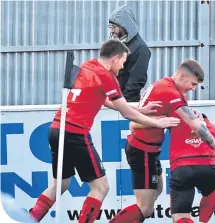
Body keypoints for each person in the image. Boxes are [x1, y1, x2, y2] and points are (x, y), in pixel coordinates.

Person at [29, 39, 180, 223]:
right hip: (74, 133)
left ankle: (30, 219)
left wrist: (140, 111)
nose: (123, 67)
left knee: (59, 185)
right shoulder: (107, 77)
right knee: (101, 187)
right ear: (115, 58)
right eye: (123, 62)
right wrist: (158, 123)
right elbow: (125, 113)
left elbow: (103, 99)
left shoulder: (87, 67)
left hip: (56, 129)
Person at [108, 59, 215, 223]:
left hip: (148, 150)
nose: (192, 89)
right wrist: (213, 143)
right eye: (193, 83)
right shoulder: (170, 92)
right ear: (182, 75)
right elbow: (134, 125)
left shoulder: (164, 85)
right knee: (145, 208)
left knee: (157, 191)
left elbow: (138, 122)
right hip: (142, 151)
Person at [131, 111, 215, 223]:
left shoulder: (177, 120)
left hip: (181, 169)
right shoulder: (214, 129)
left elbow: (134, 124)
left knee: (180, 217)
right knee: (212, 187)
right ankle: (203, 221)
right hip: (207, 167)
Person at [109, 4, 151, 102]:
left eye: (114, 27)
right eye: (110, 26)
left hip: (126, 103)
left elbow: (136, 81)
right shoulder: (120, 43)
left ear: (124, 26)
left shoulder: (140, 49)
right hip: (114, 101)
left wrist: (122, 103)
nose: (111, 30)